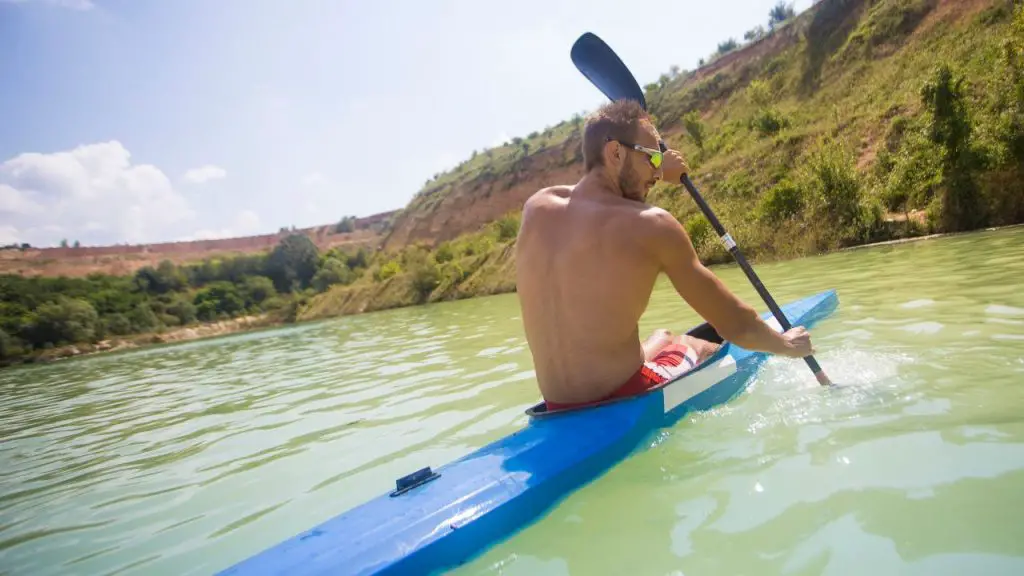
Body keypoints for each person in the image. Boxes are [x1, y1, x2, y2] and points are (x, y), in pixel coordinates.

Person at [514, 99, 815, 411]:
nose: (657, 171)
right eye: (652, 158)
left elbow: (599, 204)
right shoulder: (654, 226)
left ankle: (664, 341)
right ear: (616, 152)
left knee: (664, 336)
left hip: (556, 403)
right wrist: (786, 344)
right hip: (622, 394)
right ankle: (684, 351)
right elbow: (735, 325)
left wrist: (652, 167)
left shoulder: (537, 207)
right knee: (701, 347)